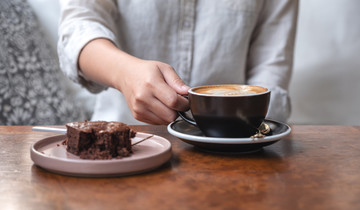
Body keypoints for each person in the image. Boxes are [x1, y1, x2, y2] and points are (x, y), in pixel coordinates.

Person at [58, 0, 298, 125]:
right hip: (127, 144)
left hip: (234, 153)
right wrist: (125, 74)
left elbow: (271, 67)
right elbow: (78, 29)